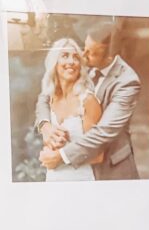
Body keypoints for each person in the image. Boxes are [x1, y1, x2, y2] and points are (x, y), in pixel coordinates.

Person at [36, 22, 141, 180]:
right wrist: (45, 125)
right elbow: (45, 96)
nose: (82, 56)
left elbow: (102, 132)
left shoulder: (127, 82)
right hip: (75, 168)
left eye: (91, 53)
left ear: (110, 56)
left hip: (112, 168)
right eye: (84, 48)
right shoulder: (85, 64)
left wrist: (60, 157)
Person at [37, 38, 102, 182]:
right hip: (52, 179)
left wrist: (59, 158)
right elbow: (50, 139)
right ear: (54, 63)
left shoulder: (87, 101)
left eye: (76, 57)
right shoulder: (50, 99)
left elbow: (98, 155)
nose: (71, 62)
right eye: (65, 56)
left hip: (80, 180)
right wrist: (47, 151)